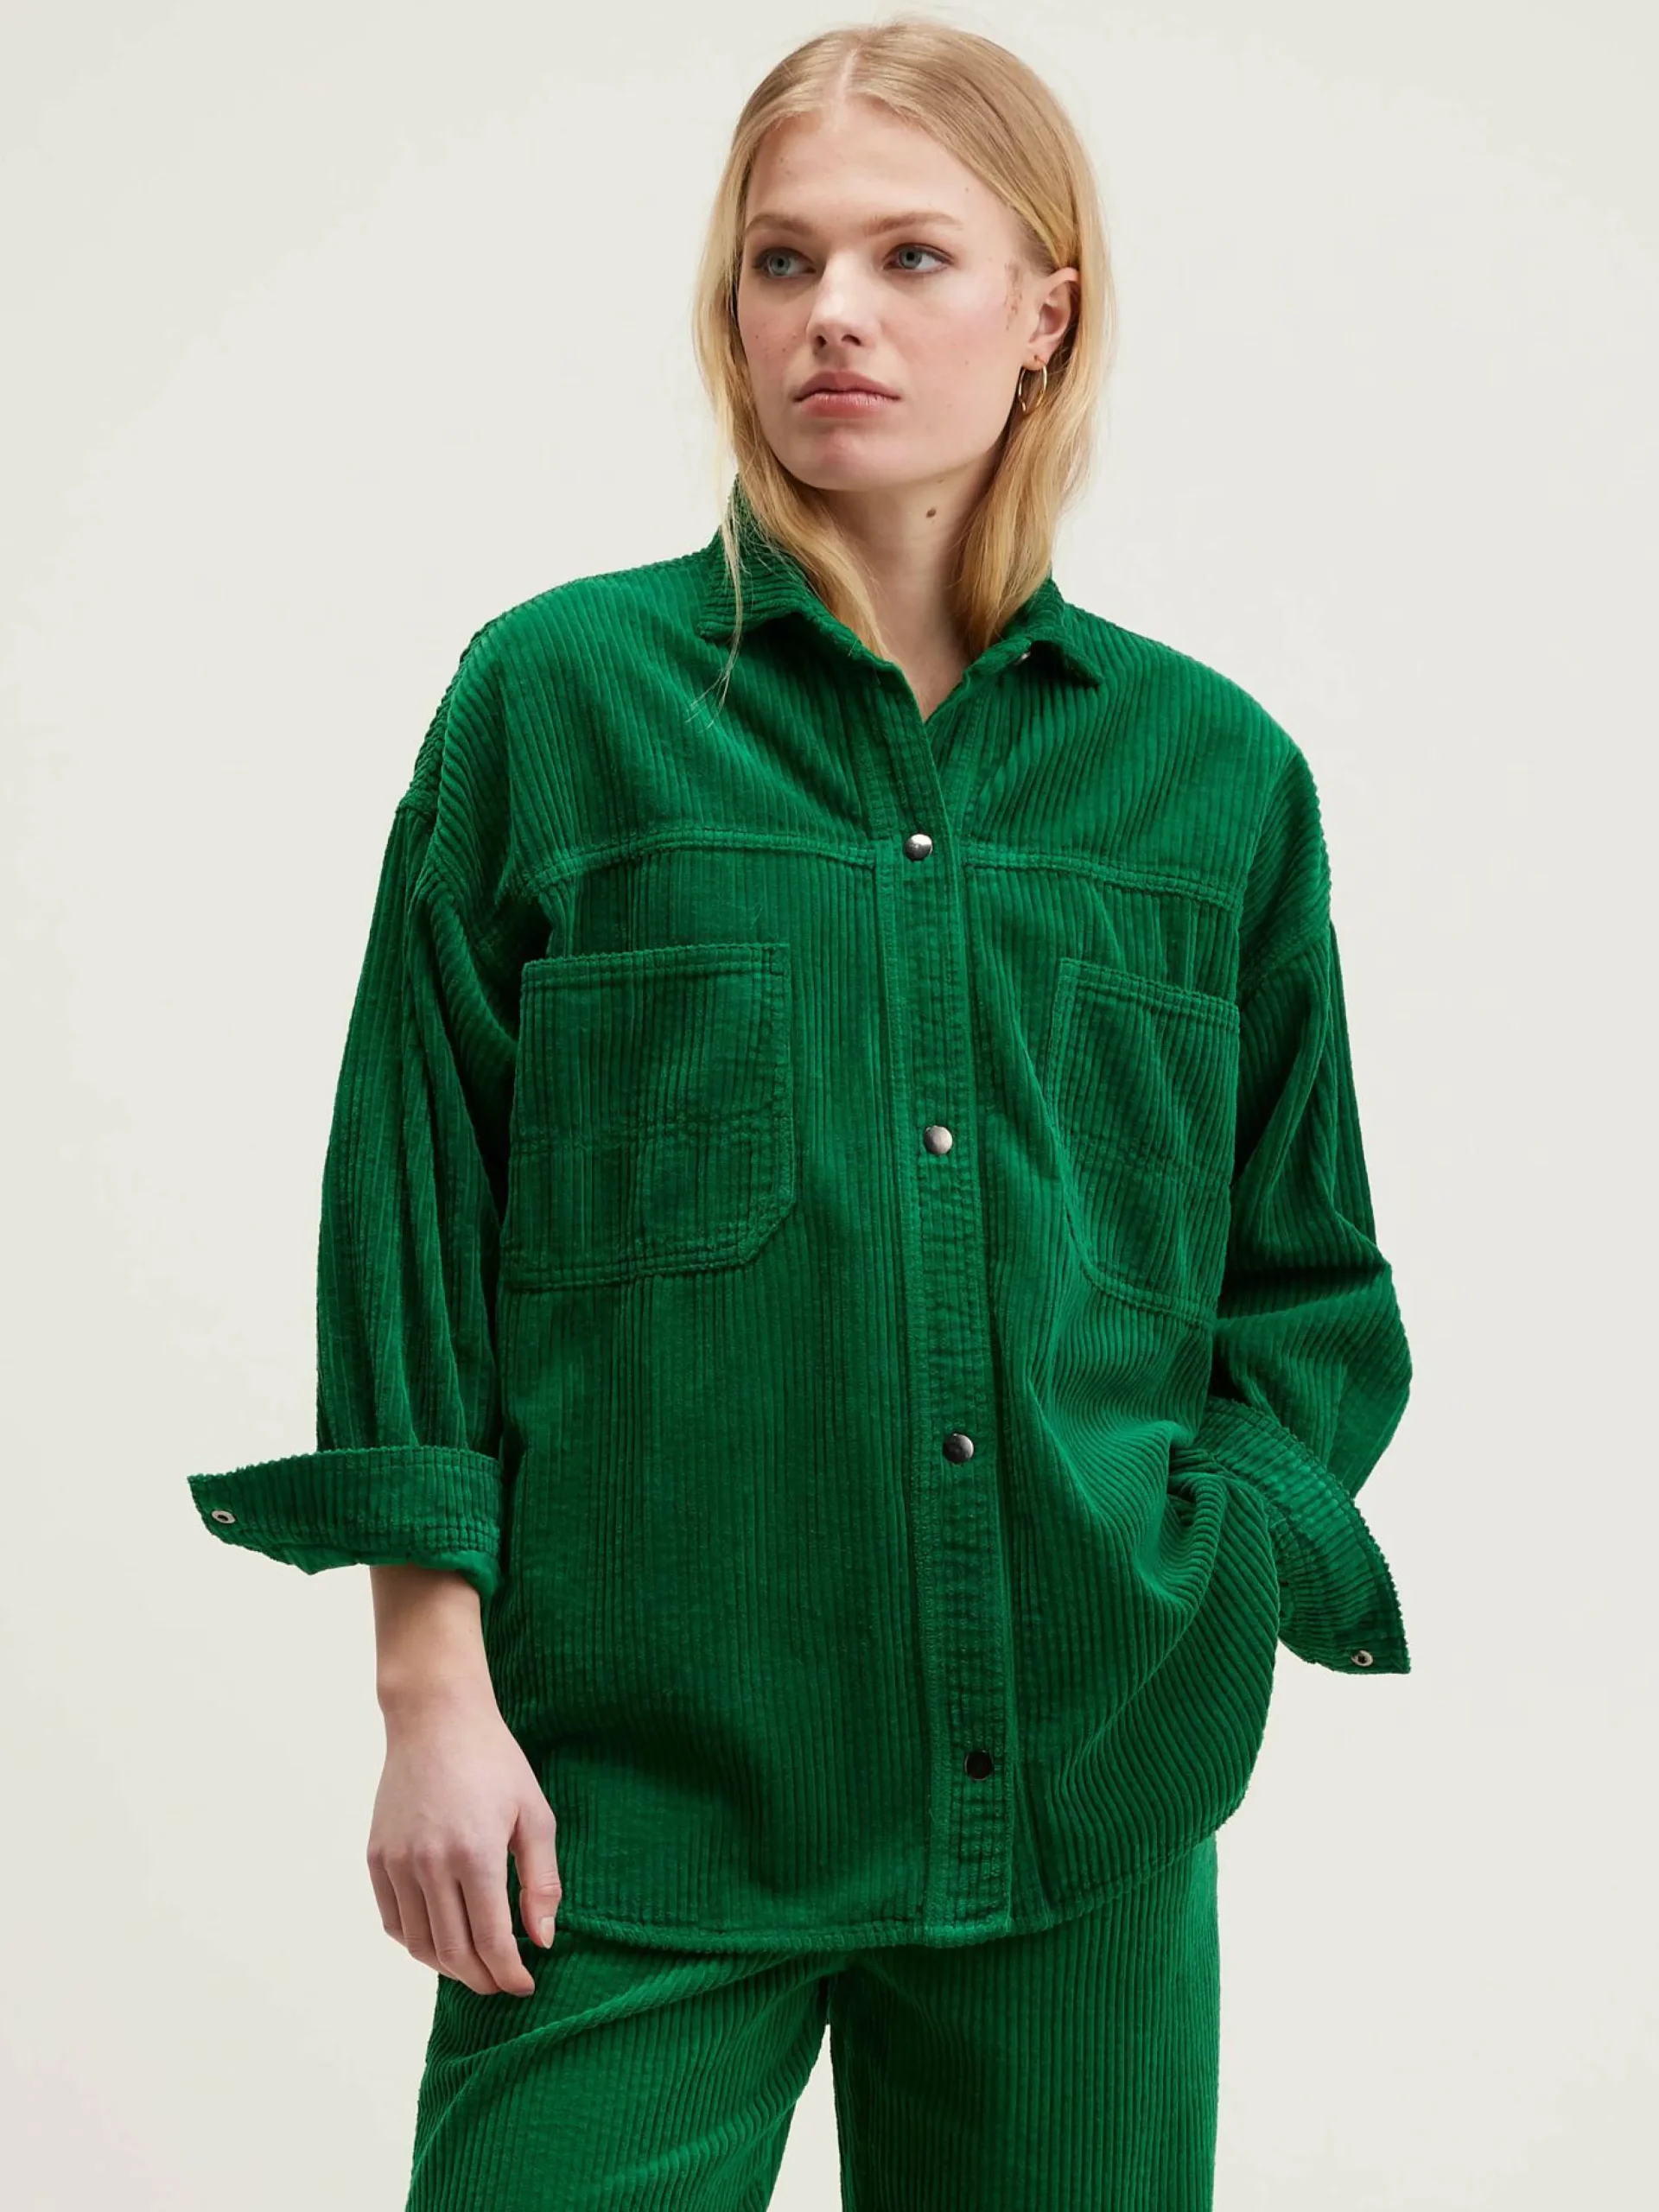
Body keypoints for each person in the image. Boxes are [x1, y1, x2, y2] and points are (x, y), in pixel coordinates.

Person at [185, 19, 1414, 2209]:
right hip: (628, 1801)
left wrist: (1206, 1569)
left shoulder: (1212, 778)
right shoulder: (560, 705)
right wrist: (427, 1693)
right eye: (782, 259)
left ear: (1043, 314)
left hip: (1077, 1794)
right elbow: (412, 1200)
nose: (830, 310)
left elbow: (1302, 1271)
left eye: (908, 256)